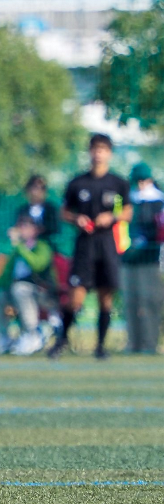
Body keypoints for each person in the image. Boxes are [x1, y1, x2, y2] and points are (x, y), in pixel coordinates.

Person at [54, 133, 132, 361]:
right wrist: (76, 218)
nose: (98, 153)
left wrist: (111, 217)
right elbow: (64, 211)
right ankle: (62, 340)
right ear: (89, 152)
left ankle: (100, 346)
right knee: (75, 296)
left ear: (109, 153)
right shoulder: (78, 183)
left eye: (103, 149)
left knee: (105, 296)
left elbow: (127, 211)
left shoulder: (118, 183)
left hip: (107, 244)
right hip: (84, 244)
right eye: (95, 149)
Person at [0, 216, 57, 355]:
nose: (22, 229)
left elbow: (37, 265)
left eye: (26, 226)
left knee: (20, 289)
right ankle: (3, 336)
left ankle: (32, 333)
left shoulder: (43, 247)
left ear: (36, 230)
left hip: (43, 293)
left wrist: (19, 246)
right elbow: (7, 275)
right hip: (19, 292)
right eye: (20, 226)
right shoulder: (17, 249)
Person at [123, 162, 163, 353]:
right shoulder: (127, 201)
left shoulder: (158, 201)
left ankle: (150, 343)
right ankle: (133, 342)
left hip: (150, 259)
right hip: (128, 259)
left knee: (150, 301)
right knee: (130, 301)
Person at [13, 175, 61, 250]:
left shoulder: (50, 209)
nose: (38, 191)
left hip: (46, 248)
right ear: (28, 190)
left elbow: (54, 228)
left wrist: (34, 231)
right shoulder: (22, 210)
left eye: (42, 188)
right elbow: (17, 227)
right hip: (26, 249)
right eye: (35, 187)